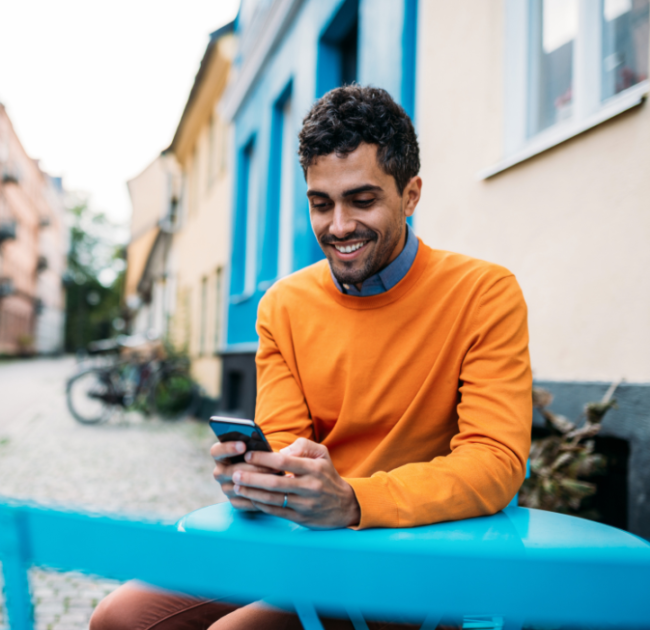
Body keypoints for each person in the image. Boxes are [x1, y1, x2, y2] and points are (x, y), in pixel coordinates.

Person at [90, 85, 532, 630]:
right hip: (306, 543)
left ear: (411, 195)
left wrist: (352, 501)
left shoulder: (483, 292)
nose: (339, 226)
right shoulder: (284, 304)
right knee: (119, 616)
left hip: (413, 555)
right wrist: (253, 478)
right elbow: (281, 440)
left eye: (362, 200)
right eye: (321, 203)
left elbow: (496, 462)